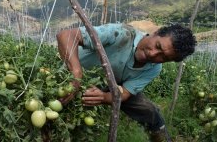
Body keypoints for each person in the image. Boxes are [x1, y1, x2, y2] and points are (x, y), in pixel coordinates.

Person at [56, 23, 196, 142]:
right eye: (158, 46)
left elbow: (125, 93)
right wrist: (76, 73)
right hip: (70, 76)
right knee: (59, 108)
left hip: (110, 86)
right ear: (156, 33)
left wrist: (104, 97)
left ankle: (160, 136)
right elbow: (66, 35)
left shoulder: (154, 68)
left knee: (149, 110)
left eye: (163, 57)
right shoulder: (121, 34)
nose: (153, 54)